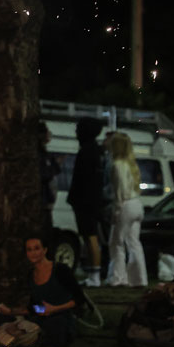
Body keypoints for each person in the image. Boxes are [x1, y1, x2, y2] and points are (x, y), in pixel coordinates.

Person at [0, 233, 85, 347]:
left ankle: (28, 337)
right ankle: (24, 336)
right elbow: (37, 307)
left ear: (45, 250)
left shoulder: (60, 270)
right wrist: (11, 311)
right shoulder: (31, 275)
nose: (33, 253)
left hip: (60, 316)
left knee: (55, 325)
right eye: (29, 250)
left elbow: (79, 299)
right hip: (40, 318)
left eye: (37, 248)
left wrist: (55, 308)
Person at [105, 132, 148, 287]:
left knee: (116, 242)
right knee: (134, 243)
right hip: (137, 204)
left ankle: (118, 278)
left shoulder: (117, 165)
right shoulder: (131, 164)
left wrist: (116, 211)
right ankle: (139, 279)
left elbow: (119, 192)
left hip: (126, 205)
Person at [67, 117, 105, 287]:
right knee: (89, 237)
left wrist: (78, 199)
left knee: (91, 237)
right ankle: (92, 274)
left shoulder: (87, 152)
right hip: (89, 202)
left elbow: (84, 180)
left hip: (86, 203)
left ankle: (95, 275)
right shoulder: (94, 151)